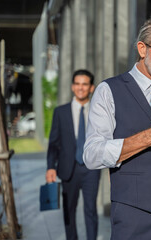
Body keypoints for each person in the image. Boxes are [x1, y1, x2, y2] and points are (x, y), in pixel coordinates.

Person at [83, 15, 151, 240]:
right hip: (133, 217)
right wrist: (149, 137)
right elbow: (91, 155)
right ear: (142, 49)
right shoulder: (108, 91)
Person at [46, 69, 101, 240]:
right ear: (72, 86)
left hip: (91, 168)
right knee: (69, 210)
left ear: (91, 88)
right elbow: (53, 143)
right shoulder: (60, 112)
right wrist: (50, 167)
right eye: (77, 84)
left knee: (91, 209)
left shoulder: (99, 112)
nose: (80, 88)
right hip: (68, 168)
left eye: (85, 84)